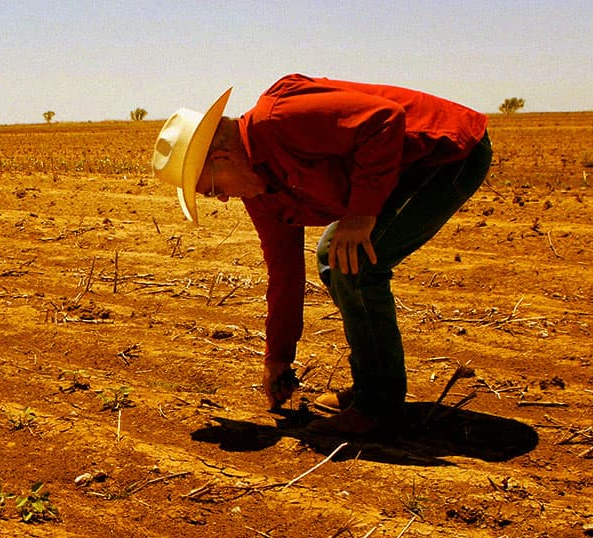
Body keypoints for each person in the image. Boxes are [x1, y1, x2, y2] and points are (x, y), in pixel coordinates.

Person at [151, 73, 492, 435]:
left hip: (445, 154)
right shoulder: (260, 193)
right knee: (336, 258)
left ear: (221, 158)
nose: (221, 199)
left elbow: (384, 120)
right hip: (398, 170)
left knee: (352, 261)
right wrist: (278, 356)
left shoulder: (279, 119)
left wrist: (361, 212)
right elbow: (285, 272)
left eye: (211, 189)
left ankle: (378, 406)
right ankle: (371, 389)